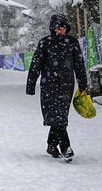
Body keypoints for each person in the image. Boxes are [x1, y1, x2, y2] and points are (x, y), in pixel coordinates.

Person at [25, 13, 89, 162]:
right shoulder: (45, 43)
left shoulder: (72, 42)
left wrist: (83, 85)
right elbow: (36, 65)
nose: (62, 31)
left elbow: (79, 65)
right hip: (49, 85)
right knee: (57, 116)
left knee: (60, 117)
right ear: (53, 28)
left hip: (66, 86)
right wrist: (31, 85)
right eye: (59, 28)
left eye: (64, 28)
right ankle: (66, 147)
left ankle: (51, 145)